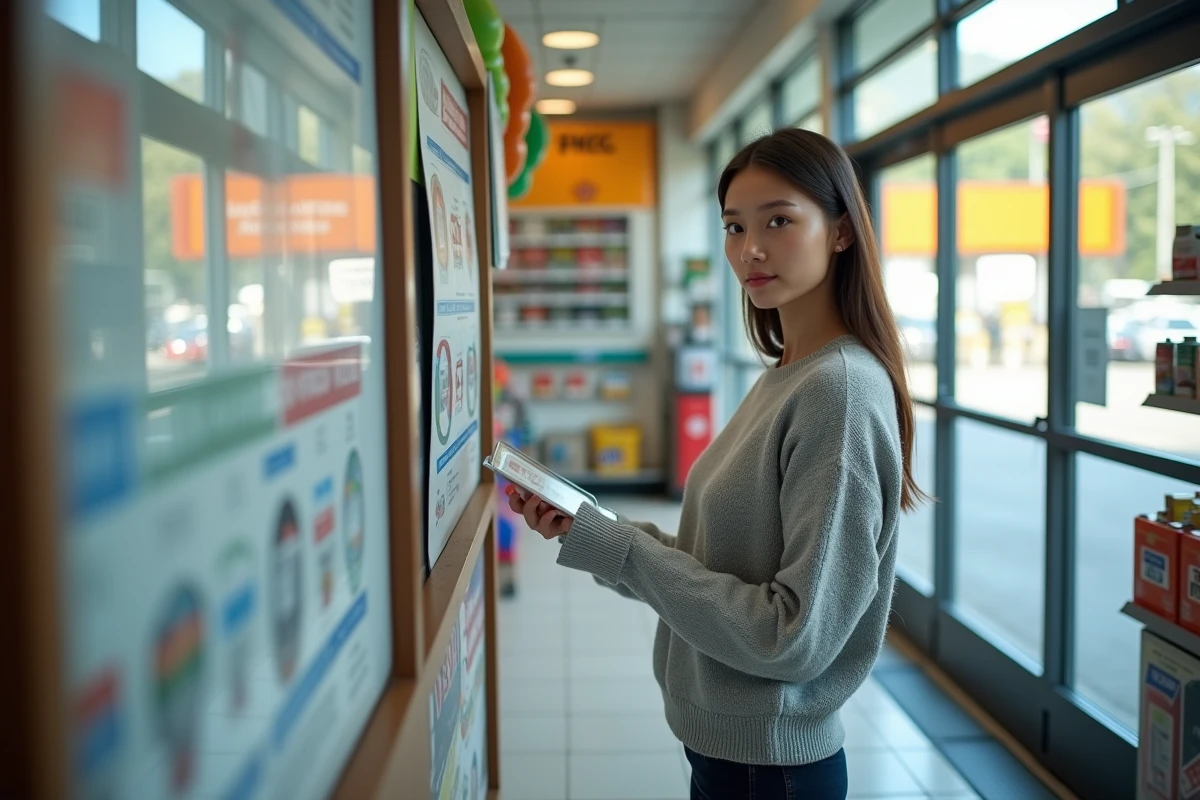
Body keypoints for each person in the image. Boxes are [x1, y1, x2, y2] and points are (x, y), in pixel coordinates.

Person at [508, 128, 926, 800]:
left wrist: (621, 550)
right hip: (733, 754)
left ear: (842, 231)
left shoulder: (839, 392)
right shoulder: (783, 377)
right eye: (734, 226)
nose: (750, 249)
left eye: (779, 221)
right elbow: (719, 567)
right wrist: (589, 529)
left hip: (773, 770)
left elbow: (792, 636)